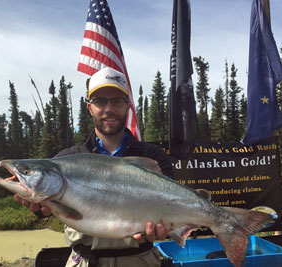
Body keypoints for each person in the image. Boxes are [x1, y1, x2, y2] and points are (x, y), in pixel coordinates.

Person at [14, 67, 175, 267]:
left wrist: (166, 229)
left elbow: (174, 207)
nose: (109, 109)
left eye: (117, 100)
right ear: (89, 107)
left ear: (128, 106)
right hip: (84, 261)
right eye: (100, 101)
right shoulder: (67, 159)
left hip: (141, 261)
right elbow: (46, 208)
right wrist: (36, 206)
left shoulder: (153, 157)